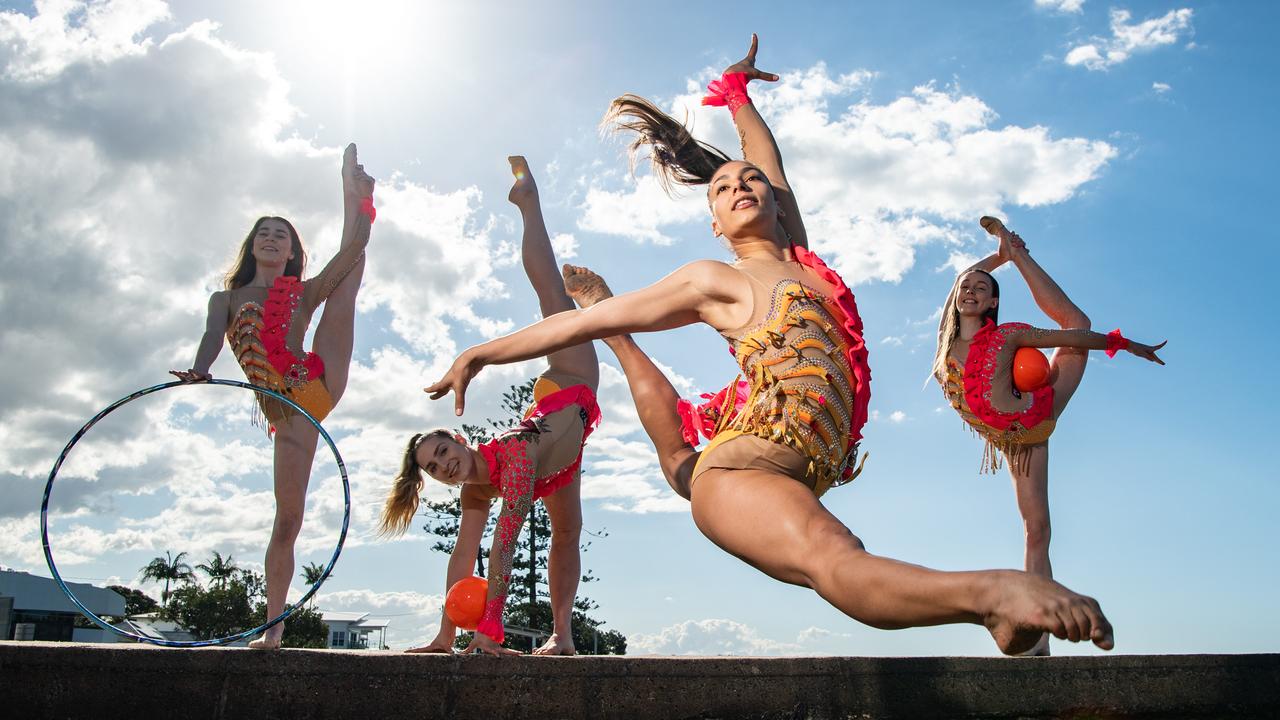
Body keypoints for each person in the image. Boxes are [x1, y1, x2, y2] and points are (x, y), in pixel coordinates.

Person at [426, 36, 1114, 654]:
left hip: (803, 458)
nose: (740, 184)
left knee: (693, 469)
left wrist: (735, 92)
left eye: (749, 181)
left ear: (777, 202)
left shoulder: (804, 261)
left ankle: (998, 611)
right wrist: (483, 352)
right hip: (740, 469)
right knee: (816, 545)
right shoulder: (713, 278)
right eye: (723, 188)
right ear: (716, 223)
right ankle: (994, 597)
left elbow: (765, 154)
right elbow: (574, 331)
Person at [380, 157, 599, 656]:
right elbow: (465, 557)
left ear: (459, 438)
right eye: (434, 469)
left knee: (551, 297)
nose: (443, 465)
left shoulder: (512, 456)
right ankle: (562, 637)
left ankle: (528, 202)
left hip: (572, 383)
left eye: (442, 451)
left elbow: (504, 546)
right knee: (567, 532)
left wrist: (491, 630)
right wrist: (445, 635)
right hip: (564, 452)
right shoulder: (476, 489)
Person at [171, 144, 376, 648]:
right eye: (263, 233)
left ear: (290, 252)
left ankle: (351, 191)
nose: (270, 238)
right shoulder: (226, 299)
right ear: (251, 247)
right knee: (287, 519)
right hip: (283, 411)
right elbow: (210, 343)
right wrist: (200, 371)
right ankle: (274, 625)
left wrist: (358, 199)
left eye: (280, 235)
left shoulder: (301, 292)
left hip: (315, 384)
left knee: (347, 280)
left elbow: (350, 254)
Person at [932, 216, 1165, 654]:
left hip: (1034, 416)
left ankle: (1037, 633)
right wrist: (996, 258)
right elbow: (959, 285)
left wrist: (1125, 344)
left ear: (993, 303)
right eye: (967, 287)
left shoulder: (1009, 336)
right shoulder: (947, 342)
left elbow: (1070, 334)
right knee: (1035, 530)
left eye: (982, 289)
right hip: (1012, 439)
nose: (970, 292)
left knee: (1077, 323)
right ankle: (1037, 632)